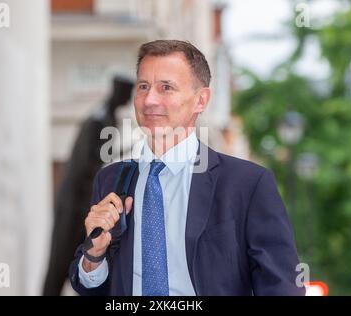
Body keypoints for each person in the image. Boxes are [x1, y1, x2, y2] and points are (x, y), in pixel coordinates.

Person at [68, 40, 306, 296]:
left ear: (200, 100)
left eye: (166, 88)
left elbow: (281, 285)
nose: (150, 100)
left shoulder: (247, 184)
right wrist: (94, 255)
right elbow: (91, 287)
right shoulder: (111, 179)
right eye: (143, 86)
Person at [43, 75, 134, 296]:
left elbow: (102, 155)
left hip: (85, 199)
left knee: (86, 258)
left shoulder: (109, 117)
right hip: (76, 200)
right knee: (62, 257)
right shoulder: (98, 119)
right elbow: (90, 160)